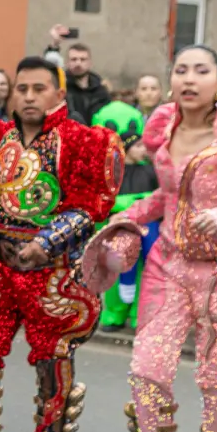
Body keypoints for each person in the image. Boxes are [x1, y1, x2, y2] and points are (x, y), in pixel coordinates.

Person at [0, 57, 122, 432]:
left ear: (59, 94)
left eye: (39, 89)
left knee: (52, 359)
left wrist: (45, 243)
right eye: (22, 88)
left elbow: (88, 208)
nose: (28, 96)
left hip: (54, 272)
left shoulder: (81, 140)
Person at [103, 45, 217, 432]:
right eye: (181, 70)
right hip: (168, 266)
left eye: (202, 70)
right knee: (147, 371)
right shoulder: (164, 128)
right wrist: (126, 218)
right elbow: (169, 195)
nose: (189, 78)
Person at [91, 101, 159, 332]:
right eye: (138, 146)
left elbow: (160, 198)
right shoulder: (112, 171)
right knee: (115, 270)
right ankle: (114, 314)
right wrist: (131, 203)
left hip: (146, 230)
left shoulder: (150, 170)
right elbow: (103, 199)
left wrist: (141, 202)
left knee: (145, 272)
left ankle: (141, 315)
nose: (143, 150)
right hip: (117, 231)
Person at [44, 27, 109, 124]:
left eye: (83, 59)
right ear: (67, 62)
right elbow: (49, 69)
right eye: (74, 59)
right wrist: (54, 45)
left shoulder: (101, 91)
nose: (78, 63)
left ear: (90, 63)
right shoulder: (61, 88)